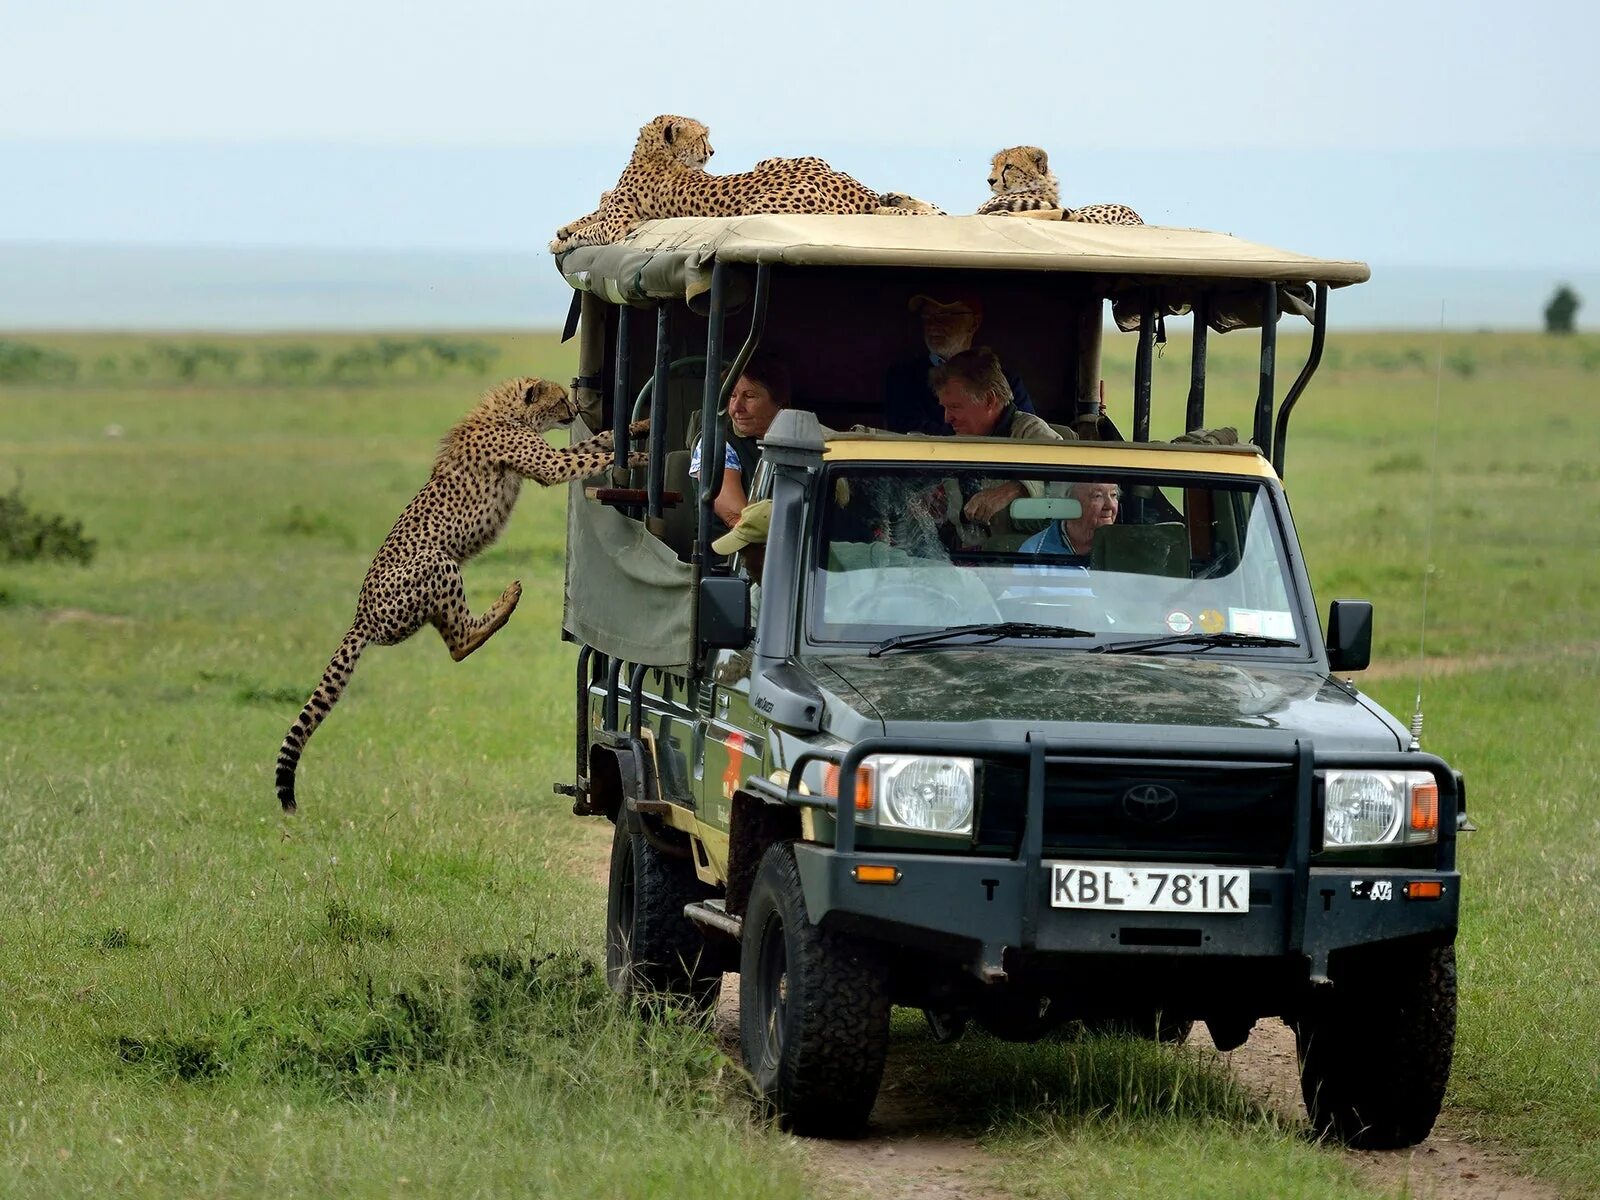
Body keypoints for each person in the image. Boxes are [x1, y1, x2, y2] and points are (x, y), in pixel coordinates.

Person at [928, 347, 1065, 526]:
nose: (947, 418)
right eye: (944, 408)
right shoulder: (959, 440)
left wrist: (1010, 491)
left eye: (955, 407)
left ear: (989, 400)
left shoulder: (1029, 431)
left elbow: (1062, 475)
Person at [884, 293, 1035, 435]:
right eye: (927, 316)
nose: (933, 325)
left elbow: (1025, 436)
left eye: (945, 315)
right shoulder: (903, 378)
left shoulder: (1006, 379)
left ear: (974, 323)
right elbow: (906, 434)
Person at [689, 352, 789, 532]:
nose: (736, 408)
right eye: (732, 396)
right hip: (733, 557)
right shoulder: (717, 445)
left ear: (779, 400)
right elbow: (741, 521)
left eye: (749, 396)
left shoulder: (804, 441)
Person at [1020, 480, 1121, 556]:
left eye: (1113, 495)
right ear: (1069, 503)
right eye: (1097, 496)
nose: (1110, 505)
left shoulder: (1127, 548)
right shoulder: (1033, 551)